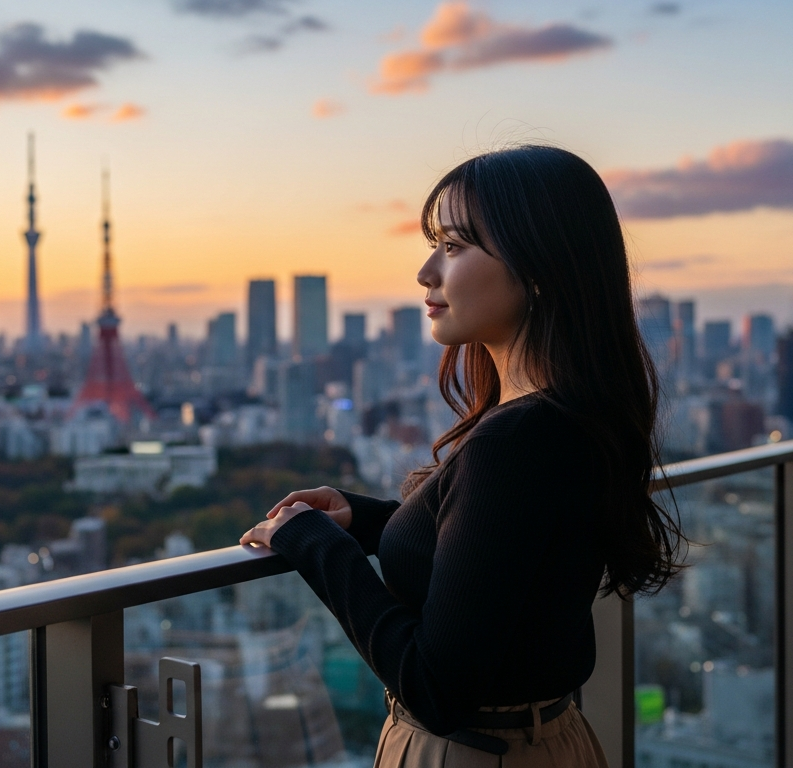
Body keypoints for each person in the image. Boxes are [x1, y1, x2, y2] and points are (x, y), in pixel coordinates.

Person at [240, 145, 685, 767]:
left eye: (452, 247)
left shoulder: (514, 440)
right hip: (551, 739)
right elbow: (504, 552)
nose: (426, 272)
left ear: (538, 268)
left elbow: (436, 686)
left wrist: (314, 543)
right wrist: (367, 520)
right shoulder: (571, 414)